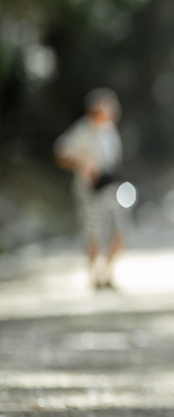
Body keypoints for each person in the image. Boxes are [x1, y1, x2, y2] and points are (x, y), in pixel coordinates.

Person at [54, 88, 127, 290]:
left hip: (111, 189)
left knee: (119, 231)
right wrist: (82, 164)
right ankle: (95, 277)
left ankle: (107, 274)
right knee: (93, 233)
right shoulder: (82, 130)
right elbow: (60, 153)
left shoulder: (110, 130)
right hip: (89, 191)